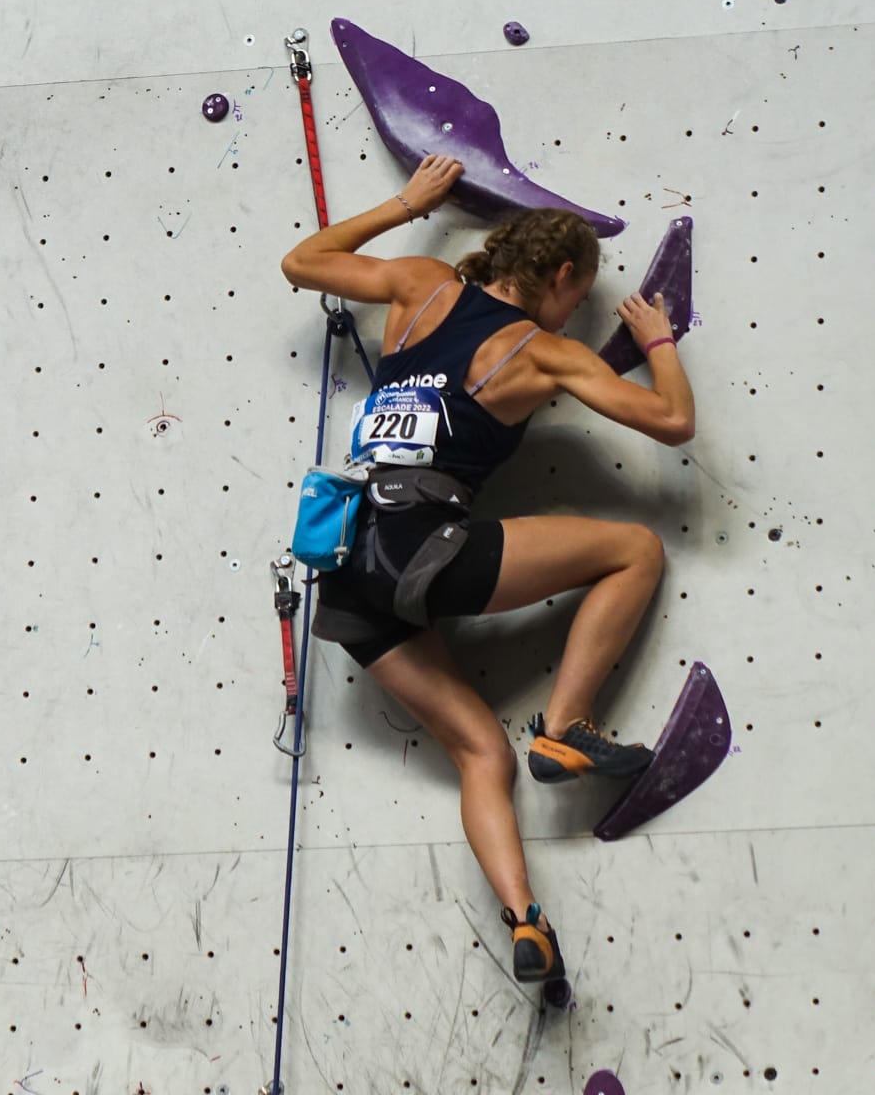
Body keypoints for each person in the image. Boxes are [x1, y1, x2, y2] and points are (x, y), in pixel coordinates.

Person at [279, 152, 694, 988]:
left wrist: (408, 204)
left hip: (347, 561)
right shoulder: (540, 352)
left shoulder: (419, 284)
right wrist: (656, 341)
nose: (575, 314)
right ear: (562, 276)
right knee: (635, 550)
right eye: (580, 297)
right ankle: (564, 726)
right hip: (425, 548)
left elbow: (301, 261)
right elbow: (671, 421)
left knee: (479, 754)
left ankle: (524, 920)